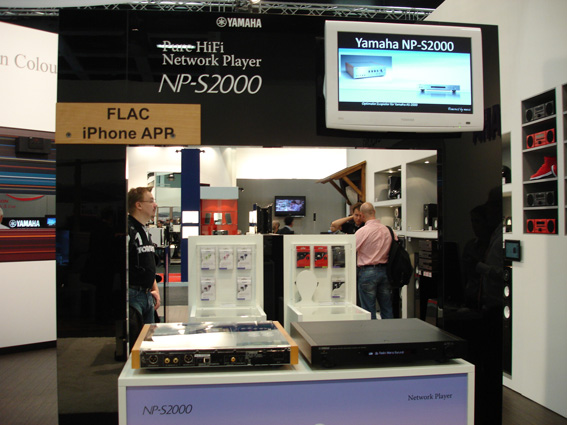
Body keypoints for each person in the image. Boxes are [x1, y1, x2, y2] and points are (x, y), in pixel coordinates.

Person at [127, 187, 161, 348]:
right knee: (135, 345)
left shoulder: (144, 231)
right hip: (133, 296)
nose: (155, 205)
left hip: (147, 296)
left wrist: (155, 289)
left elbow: (148, 264)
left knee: (148, 344)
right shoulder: (128, 231)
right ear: (138, 205)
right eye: (151, 201)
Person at [355, 202, 395, 319]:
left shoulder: (362, 232)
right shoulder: (388, 230)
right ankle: (389, 330)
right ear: (374, 212)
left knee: (368, 310)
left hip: (367, 272)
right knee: (387, 308)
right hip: (386, 271)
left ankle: (371, 331)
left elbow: (351, 249)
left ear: (362, 215)